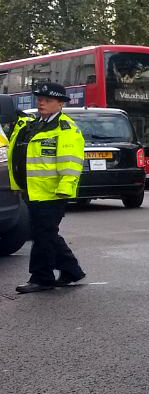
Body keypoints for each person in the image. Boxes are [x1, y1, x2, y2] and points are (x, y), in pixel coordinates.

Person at [8, 82, 86, 293]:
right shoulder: (33, 125)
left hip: (52, 193)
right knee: (46, 233)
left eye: (48, 100)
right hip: (32, 191)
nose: (41, 103)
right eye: (40, 99)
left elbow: (71, 162)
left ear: (60, 104)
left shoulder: (65, 129)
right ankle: (71, 271)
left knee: (43, 234)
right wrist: (17, 184)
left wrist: (64, 188)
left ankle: (41, 278)